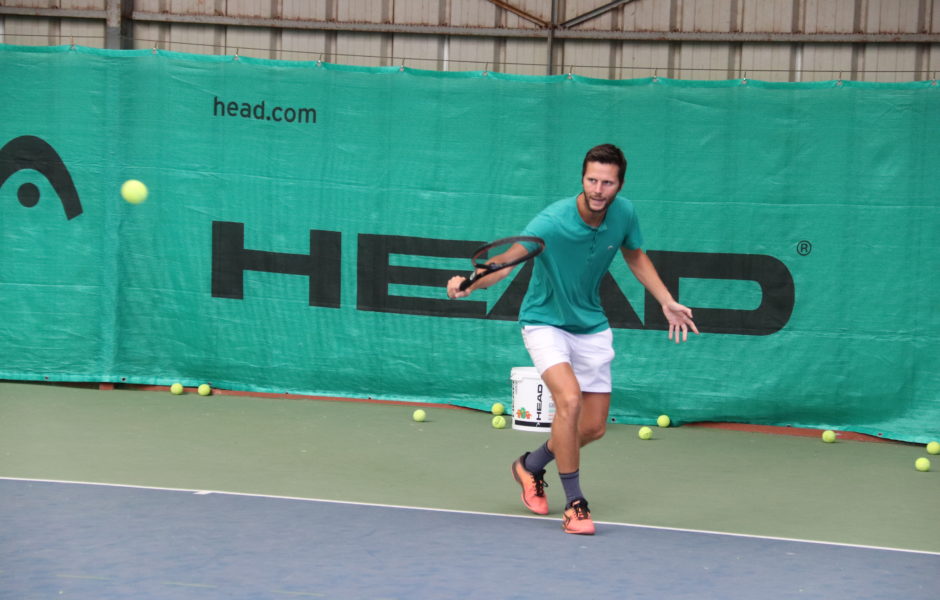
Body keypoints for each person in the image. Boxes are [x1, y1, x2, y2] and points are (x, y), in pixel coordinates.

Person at [446, 143, 698, 535]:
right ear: (582, 179)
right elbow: (505, 263)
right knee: (569, 400)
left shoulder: (624, 214)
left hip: (591, 325)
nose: (598, 189)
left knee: (594, 427)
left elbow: (635, 255)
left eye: (607, 183)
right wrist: (472, 282)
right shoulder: (552, 222)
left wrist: (665, 300)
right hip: (544, 322)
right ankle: (575, 504)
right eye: (592, 180)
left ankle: (529, 466)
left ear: (619, 185)